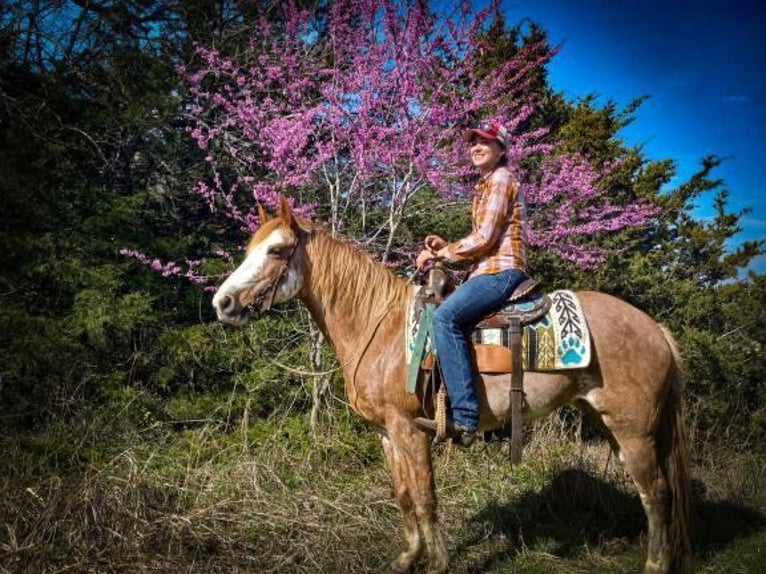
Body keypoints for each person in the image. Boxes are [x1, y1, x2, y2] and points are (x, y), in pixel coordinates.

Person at [413, 121, 529, 446]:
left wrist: (440, 256)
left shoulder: (501, 179)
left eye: (485, 142)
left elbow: (486, 238)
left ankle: (464, 419)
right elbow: (483, 241)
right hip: (487, 269)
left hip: (501, 271)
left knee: (444, 318)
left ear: (502, 150)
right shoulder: (485, 184)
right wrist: (446, 247)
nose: (476, 147)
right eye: (472, 143)